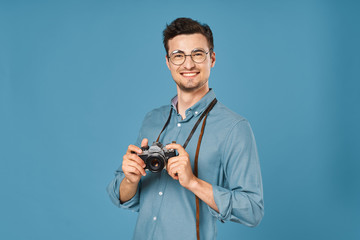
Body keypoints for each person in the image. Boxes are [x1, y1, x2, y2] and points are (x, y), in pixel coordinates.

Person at [107, 17, 264, 240]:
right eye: (178, 56)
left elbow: (253, 210)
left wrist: (193, 182)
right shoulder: (152, 119)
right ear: (168, 62)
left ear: (212, 59)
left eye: (197, 54)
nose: (188, 64)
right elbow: (122, 197)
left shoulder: (234, 128)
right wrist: (130, 180)